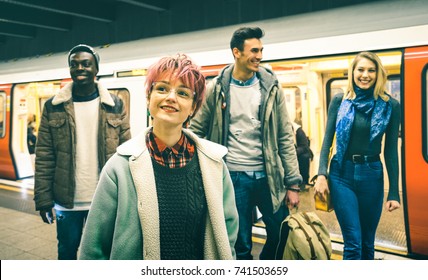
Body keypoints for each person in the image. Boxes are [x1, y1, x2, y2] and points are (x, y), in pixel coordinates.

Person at [79, 54, 238, 260]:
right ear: (148, 98)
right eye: (162, 89)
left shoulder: (213, 164)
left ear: (193, 107)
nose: (171, 97)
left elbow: (227, 233)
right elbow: (93, 248)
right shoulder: (119, 167)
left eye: (183, 93)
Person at [189, 27, 302, 260]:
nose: (259, 56)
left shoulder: (270, 87)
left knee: (280, 232)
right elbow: (196, 131)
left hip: (268, 175)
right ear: (236, 52)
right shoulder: (216, 88)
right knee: (240, 242)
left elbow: (284, 136)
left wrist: (293, 184)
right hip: (233, 176)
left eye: (261, 50)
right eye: (253, 51)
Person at [33, 44, 131, 260]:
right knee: (66, 251)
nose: (80, 68)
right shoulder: (53, 106)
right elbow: (44, 155)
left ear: (96, 69)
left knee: (102, 255)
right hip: (66, 201)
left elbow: (127, 152)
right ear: (69, 69)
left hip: (104, 197)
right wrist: (43, 199)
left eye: (86, 64)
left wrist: (129, 195)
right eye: (74, 64)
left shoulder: (114, 104)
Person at [313, 51, 401, 260]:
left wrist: (394, 193)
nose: (365, 75)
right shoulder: (340, 100)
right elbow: (327, 140)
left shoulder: (391, 106)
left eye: (371, 70)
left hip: (372, 175)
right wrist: (322, 175)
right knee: (353, 242)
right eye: (360, 69)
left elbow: (390, 151)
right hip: (341, 175)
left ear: (379, 74)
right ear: (353, 73)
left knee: (367, 243)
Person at [291, 121, 313, 191]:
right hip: (294, 153)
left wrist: (293, 152)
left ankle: (304, 181)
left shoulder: (299, 131)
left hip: (302, 153)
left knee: (304, 157)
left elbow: (304, 147)